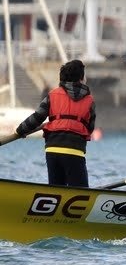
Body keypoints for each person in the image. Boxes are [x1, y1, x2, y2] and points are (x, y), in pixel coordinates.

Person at [14, 59, 96, 187]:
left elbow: (37, 117)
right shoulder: (89, 100)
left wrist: (20, 131)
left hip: (53, 149)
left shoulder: (52, 95)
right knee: (81, 190)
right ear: (81, 78)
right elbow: (90, 127)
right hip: (74, 151)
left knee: (56, 190)